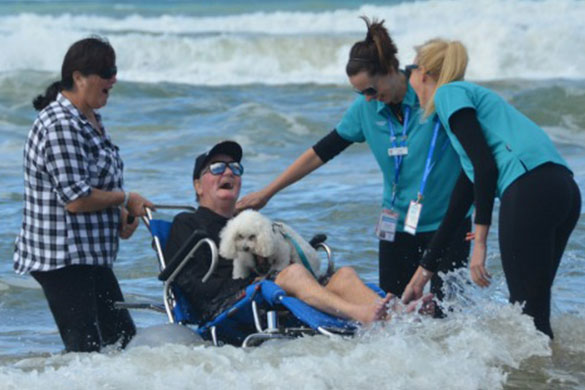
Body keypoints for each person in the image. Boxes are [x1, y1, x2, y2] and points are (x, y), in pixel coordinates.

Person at [236, 17, 470, 302]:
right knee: (395, 312)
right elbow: (321, 152)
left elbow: (477, 150)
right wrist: (267, 192)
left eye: (371, 90)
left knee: (451, 311)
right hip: (395, 225)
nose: (368, 99)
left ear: (390, 70)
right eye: (360, 93)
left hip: (448, 224)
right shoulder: (365, 109)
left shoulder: (432, 91)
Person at [402, 39, 581, 338]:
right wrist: (423, 274)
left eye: (409, 70)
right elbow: (460, 203)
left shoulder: (449, 93)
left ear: (423, 73)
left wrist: (480, 244)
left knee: (526, 314)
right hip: (563, 189)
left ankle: (529, 383)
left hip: (528, 190)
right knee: (534, 310)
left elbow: (486, 168)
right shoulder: (476, 107)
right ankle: (554, 378)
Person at [163, 140, 435, 325]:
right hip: (228, 305)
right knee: (292, 275)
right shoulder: (186, 223)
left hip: (266, 289)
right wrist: (251, 282)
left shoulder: (249, 223)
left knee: (343, 274)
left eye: (235, 168)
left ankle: (399, 316)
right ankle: (364, 315)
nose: (229, 173)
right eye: (217, 168)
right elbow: (191, 285)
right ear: (198, 185)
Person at [13, 37, 154, 352]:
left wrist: (120, 215)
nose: (113, 79)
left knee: (122, 343)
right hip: (62, 258)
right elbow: (76, 199)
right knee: (86, 350)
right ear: (78, 77)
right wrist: (124, 199)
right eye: (106, 71)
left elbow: (93, 184)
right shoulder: (60, 125)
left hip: (88, 256)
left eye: (114, 70)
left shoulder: (89, 118)